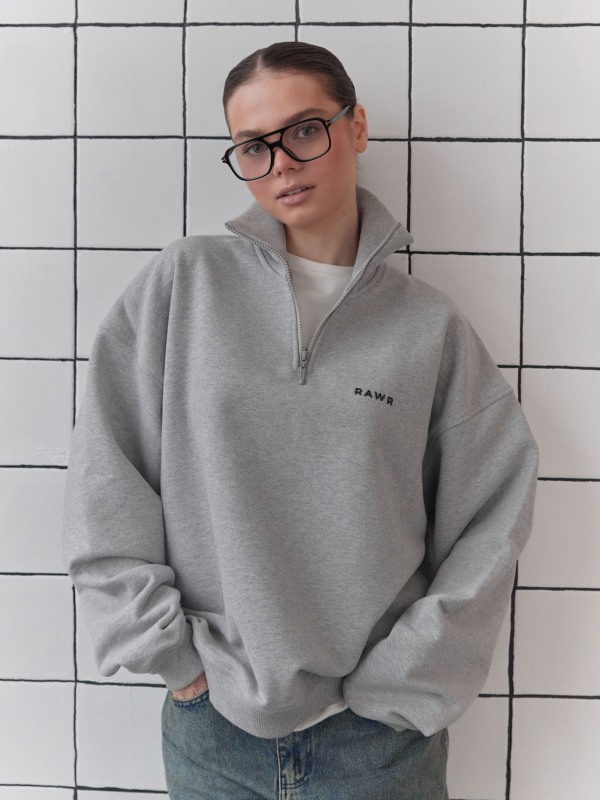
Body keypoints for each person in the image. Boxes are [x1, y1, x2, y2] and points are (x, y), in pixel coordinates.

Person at [61, 41, 539, 799]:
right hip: (213, 727)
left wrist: (409, 679)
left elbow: (493, 513)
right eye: (253, 146)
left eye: (305, 130)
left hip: (380, 744)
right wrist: (170, 660)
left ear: (356, 127)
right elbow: (104, 478)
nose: (281, 163)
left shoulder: (429, 328)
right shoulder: (185, 285)